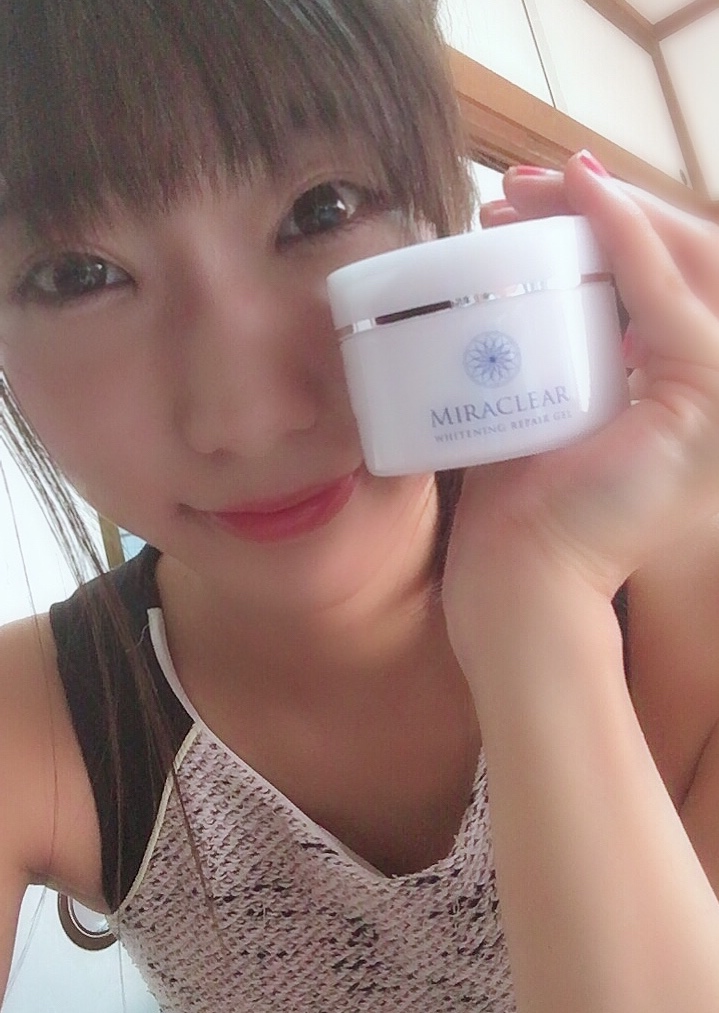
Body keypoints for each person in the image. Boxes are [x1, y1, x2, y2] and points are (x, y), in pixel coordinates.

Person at [1, 1, 719, 1011]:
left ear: (446, 215)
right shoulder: (34, 723)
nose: (247, 419)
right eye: (78, 275)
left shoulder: (688, 598)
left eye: (322, 208)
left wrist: (540, 615)